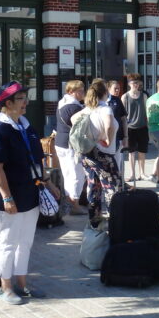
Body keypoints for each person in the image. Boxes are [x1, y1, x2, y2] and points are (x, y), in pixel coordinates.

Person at [0, 81, 51, 305]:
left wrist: (49, 184)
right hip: (10, 196)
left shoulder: (26, 126)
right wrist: (6, 197)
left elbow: (38, 160)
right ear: (8, 103)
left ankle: (22, 284)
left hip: (30, 192)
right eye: (21, 98)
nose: (26, 102)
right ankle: (5, 287)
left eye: (26, 97)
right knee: (8, 241)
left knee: (25, 241)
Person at [79, 80, 122, 225]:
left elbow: (72, 119)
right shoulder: (105, 108)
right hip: (102, 153)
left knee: (94, 186)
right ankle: (115, 220)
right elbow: (109, 124)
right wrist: (106, 138)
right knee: (113, 186)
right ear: (105, 93)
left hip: (87, 153)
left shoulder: (87, 109)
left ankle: (95, 221)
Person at [55, 80, 88, 215]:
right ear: (71, 91)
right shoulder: (74, 108)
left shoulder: (62, 103)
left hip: (61, 143)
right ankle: (74, 204)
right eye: (79, 90)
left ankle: (70, 202)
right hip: (70, 144)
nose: (82, 93)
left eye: (82, 90)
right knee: (77, 174)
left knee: (67, 174)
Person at [122, 73, 151, 182]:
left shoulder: (144, 96)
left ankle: (142, 173)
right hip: (130, 128)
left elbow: (147, 112)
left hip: (142, 127)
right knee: (131, 152)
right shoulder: (125, 97)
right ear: (129, 84)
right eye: (134, 83)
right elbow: (123, 115)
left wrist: (149, 127)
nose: (136, 85)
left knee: (142, 151)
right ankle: (133, 174)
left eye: (137, 83)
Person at [106, 78, 128, 173]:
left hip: (118, 136)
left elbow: (123, 119)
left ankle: (118, 183)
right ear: (108, 88)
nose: (117, 90)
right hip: (104, 138)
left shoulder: (117, 101)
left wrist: (125, 137)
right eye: (115, 88)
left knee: (117, 161)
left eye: (118, 88)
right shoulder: (100, 101)